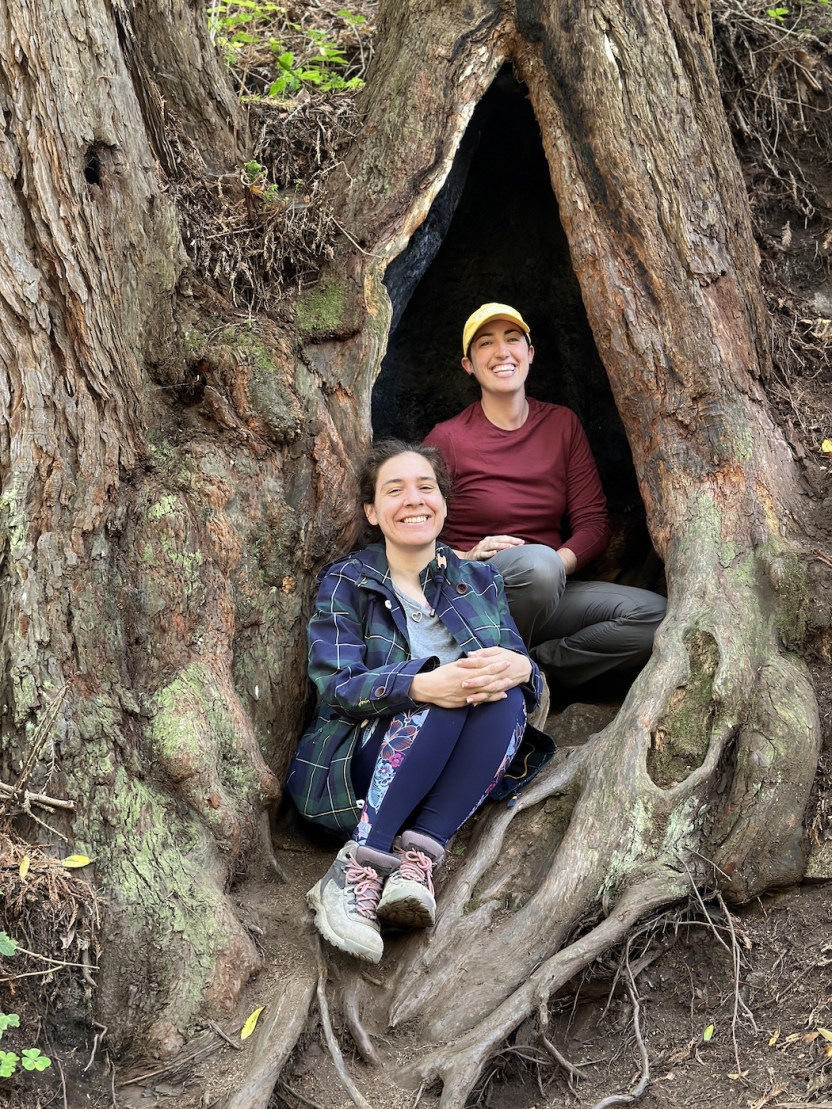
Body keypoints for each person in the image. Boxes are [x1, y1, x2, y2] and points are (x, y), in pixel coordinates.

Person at [285, 440, 550, 964]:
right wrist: (422, 685)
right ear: (372, 511)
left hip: (454, 770)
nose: (414, 500)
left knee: (502, 697)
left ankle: (416, 858)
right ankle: (355, 868)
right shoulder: (348, 581)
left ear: (444, 504)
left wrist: (526, 669)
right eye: (395, 489)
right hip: (359, 765)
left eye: (426, 487)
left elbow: (516, 663)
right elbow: (336, 687)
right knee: (448, 691)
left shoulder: (477, 578)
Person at [423, 303, 667, 689]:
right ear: (468, 365)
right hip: (473, 594)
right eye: (486, 343)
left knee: (655, 618)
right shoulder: (447, 439)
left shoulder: (561, 424)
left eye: (513, 339)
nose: (502, 352)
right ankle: (486, 661)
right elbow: (413, 534)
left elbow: (592, 523)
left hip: (547, 585)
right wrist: (466, 556)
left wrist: (557, 566)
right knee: (538, 567)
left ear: (530, 354)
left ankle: (535, 669)